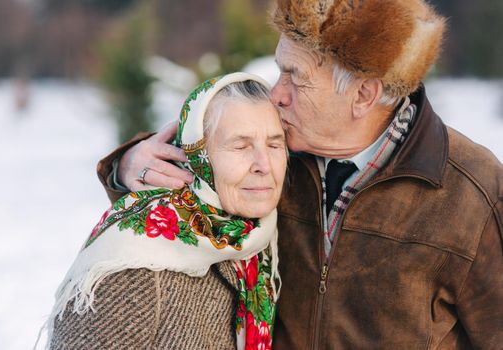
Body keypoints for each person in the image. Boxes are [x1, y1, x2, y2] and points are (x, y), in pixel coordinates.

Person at [97, 0, 503, 348]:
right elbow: (192, 186)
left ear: (363, 94)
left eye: (297, 76)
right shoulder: (273, 145)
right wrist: (129, 163)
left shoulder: (473, 194)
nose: (277, 93)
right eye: (280, 69)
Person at [45, 72, 287, 349]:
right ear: (198, 157)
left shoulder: (261, 235)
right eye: (240, 146)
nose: (264, 165)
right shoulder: (135, 264)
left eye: (274, 144)